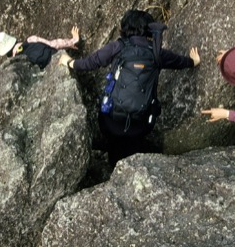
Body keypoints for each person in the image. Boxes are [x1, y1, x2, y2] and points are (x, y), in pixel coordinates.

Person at [58, 10, 200, 165]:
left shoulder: (117, 47)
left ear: (125, 27)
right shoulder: (157, 53)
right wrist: (194, 61)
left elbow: (90, 63)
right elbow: (180, 62)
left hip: (111, 121)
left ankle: (112, 167)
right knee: (132, 154)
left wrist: (69, 62)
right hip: (141, 125)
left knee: (114, 151)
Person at [0, 26, 80, 68]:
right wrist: (72, 41)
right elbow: (54, 44)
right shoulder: (31, 39)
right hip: (61, 60)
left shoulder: (15, 64)